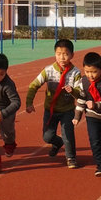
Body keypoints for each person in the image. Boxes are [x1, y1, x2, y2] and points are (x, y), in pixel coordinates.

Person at [26, 38, 81, 169]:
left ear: (72, 55)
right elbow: (34, 85)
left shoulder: (76, 72)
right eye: (58, 54)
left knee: (68, 134)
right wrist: (29, 102)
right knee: (47, 137)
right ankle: (57, 142)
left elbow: (80, 93)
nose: (62, 57)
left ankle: (71, 157)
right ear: (55, 54)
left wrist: (73, 91)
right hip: (50, 110)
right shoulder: (48, 70)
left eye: (66, 54)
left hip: (67, 110)